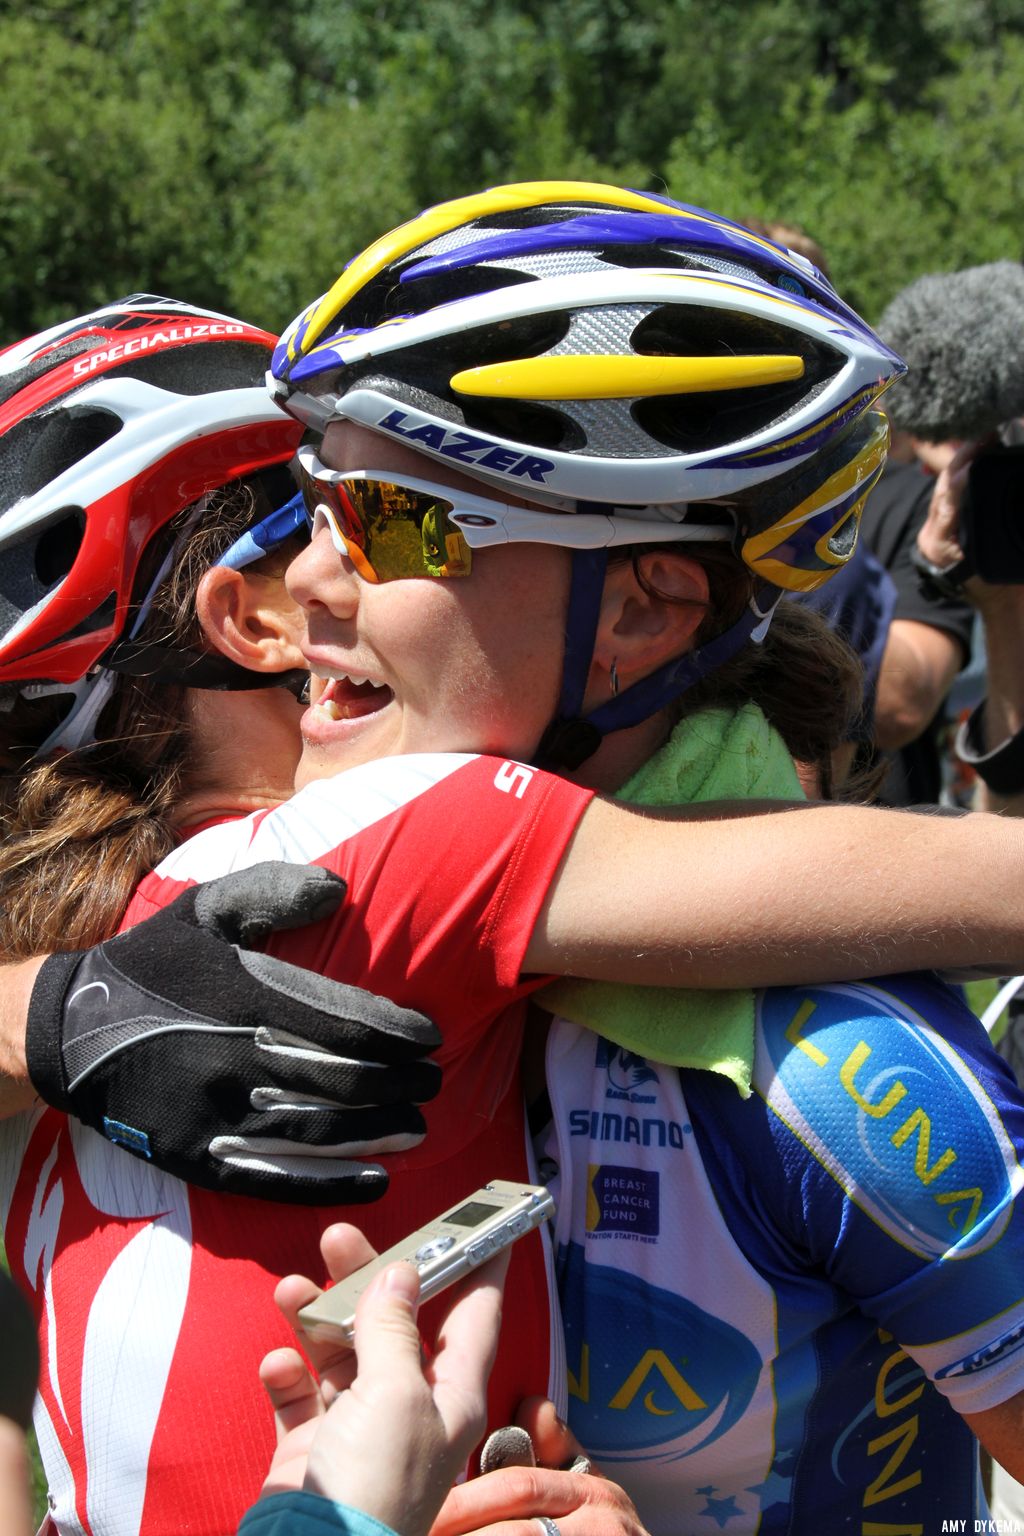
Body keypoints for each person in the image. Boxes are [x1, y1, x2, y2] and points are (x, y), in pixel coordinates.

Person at [5, 192, 1024, 1535]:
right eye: (312, 511)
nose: (312, 583)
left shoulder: (844, 1079)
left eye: (393, 524)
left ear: (649, 607)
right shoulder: (308, 891)